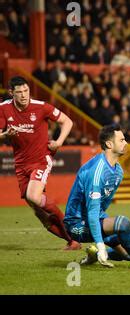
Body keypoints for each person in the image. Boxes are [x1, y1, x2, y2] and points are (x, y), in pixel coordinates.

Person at [63, 124, 130, 269]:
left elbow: (101, 207)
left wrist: (103, 241)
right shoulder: (97, 171)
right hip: (76, 225)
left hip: (94, 219)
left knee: (127, 252)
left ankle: (95, 254)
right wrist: (101, 244)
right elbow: (92, 212)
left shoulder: (118, 171)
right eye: (122, 140)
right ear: (109, 144)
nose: (126, 143)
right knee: (123, 224)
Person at [0, 76, 80, 250]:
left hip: (41, 159)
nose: (23, 95)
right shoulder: (4, 109)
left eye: (26, 91)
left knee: (34, 196)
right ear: (11, 93)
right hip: (21, 165)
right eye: (19, 92)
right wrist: (6, 135)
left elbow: (68, 121)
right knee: (39, 213)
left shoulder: (41, 106)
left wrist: (59, 142)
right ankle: (72, 241)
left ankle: (72, 228)